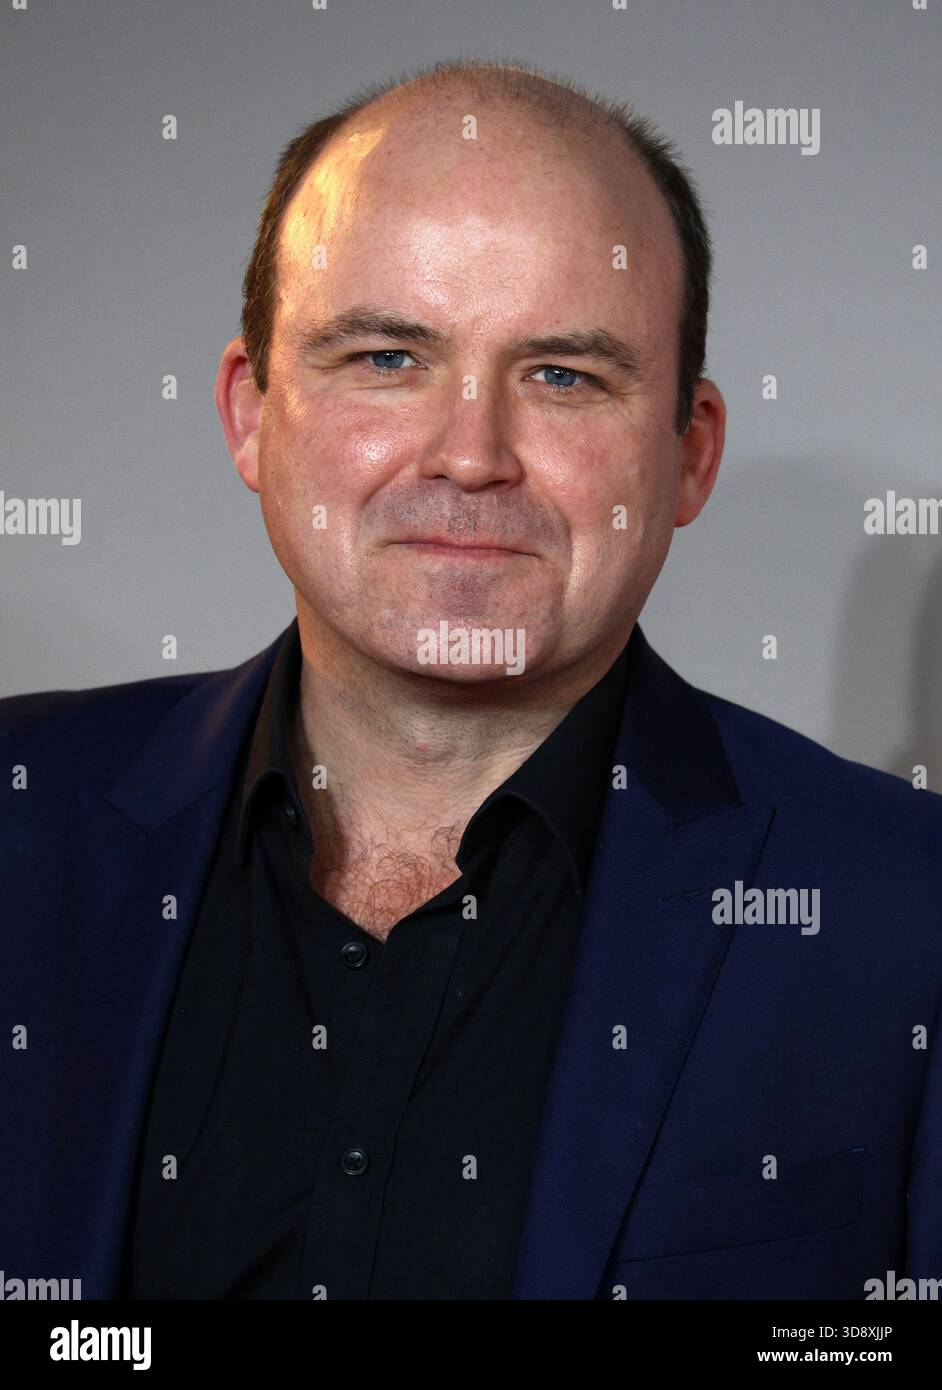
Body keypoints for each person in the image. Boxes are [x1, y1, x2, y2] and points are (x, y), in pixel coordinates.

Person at [2, 58, 940, 1302]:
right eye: (387, 357)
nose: (472, 453)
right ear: (249, 412)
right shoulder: (21, 819)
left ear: (690, 454)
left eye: (565, 375)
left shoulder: (904, 911)